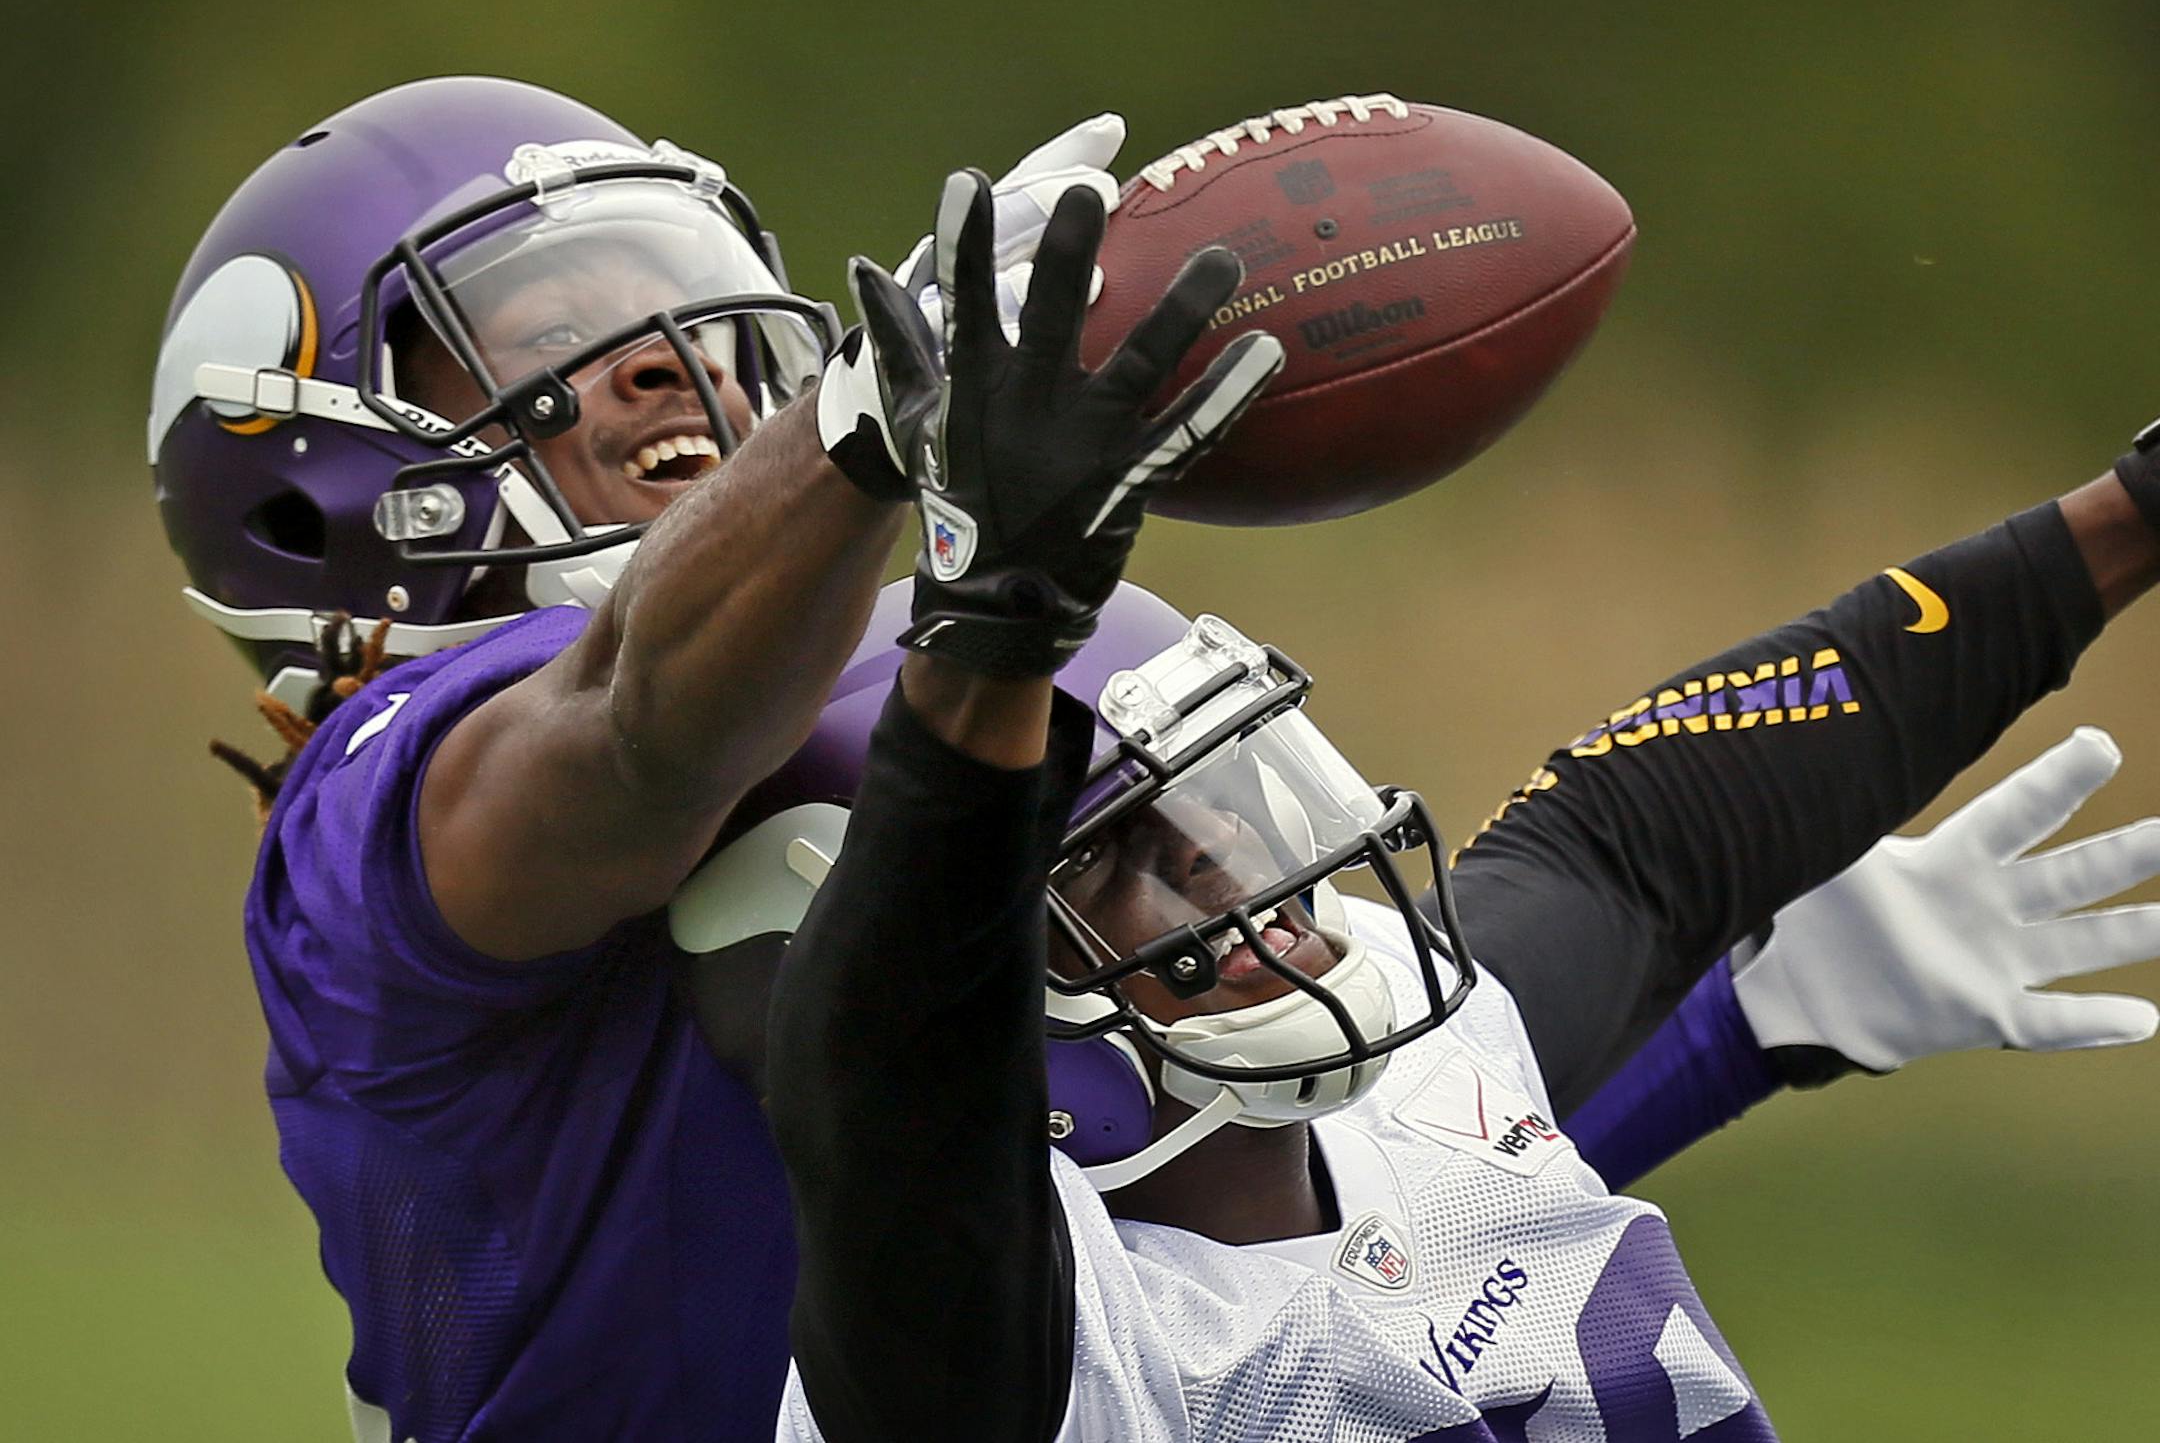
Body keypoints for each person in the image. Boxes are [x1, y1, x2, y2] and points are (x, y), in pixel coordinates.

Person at [155, 75, 2160, 1440]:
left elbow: (1325, 1180)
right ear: (314, 470)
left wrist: (1744, 1019)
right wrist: (905, 478)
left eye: (688, 301)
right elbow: (656, 762)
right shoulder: (402, 784)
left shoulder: (881, 746)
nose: (675, 357)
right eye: (553, 325)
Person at [761, 147, 2160, 1437]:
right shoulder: (1032, 1360)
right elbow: (894, 1056)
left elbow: (1643, 837)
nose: (1224, 857)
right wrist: (996, 628)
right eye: (1106, 854)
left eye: (1217, 792)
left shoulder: (1427, 1078)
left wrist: (2128, 518)